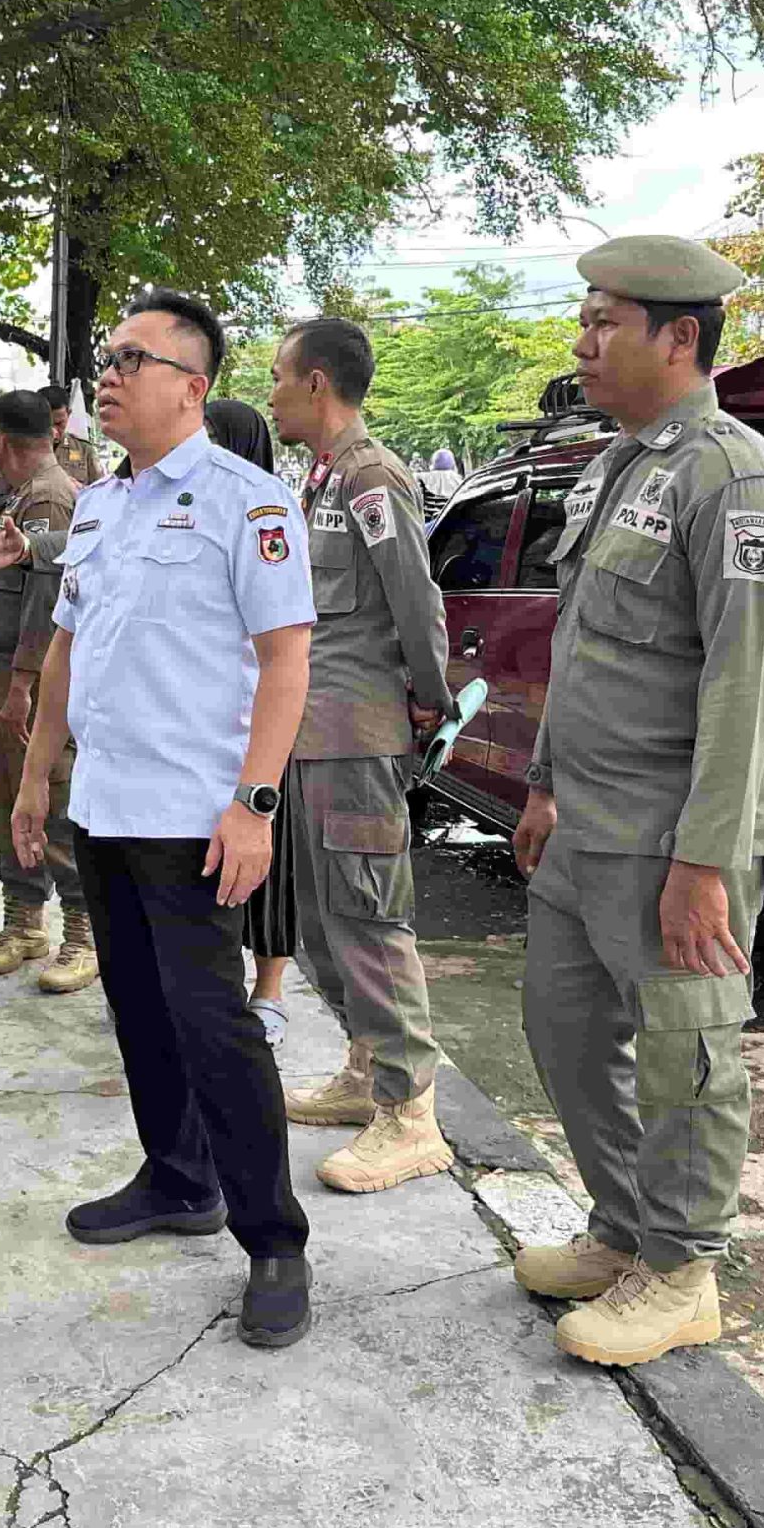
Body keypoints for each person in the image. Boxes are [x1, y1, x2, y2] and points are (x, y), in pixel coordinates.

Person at [511, 235, 764, 1368]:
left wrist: (702, 863)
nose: (582, 344)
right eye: (584, 321)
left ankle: (682, 1272)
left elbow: (742, 688)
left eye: (604, 323)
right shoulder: (620, 467)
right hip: (584, 823)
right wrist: (541, 784)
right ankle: (623, 1231)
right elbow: (579, 647)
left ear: (679, 337)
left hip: (676, 837)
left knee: (688, 1057)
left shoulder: (735, 479)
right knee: (565, 1030)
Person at [12, 291, 318, 1349]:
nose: (108, 374)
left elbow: (286, 663)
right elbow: (66, 649)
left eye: (131, 359)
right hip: (104, 806)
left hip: (196, 815)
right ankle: (178, 1178)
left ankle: (274, 1240)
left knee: (214, 1025)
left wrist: (255, 804)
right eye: (107, 357)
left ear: (192, 386)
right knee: (137, 1007)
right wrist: (36, 778)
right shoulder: (100, 503)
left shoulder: (249, 502)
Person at [266, 319, 455, 1192]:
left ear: (316, 383)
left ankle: (411, 1115)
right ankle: (365, 1070)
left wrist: (431, 697)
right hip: (313, 734)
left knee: (371, 923)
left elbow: (416, 599)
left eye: (279, 376)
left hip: (357, 735)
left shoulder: (373, 476)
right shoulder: (323, 477)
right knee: (324, 921)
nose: (270, 394)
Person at [0, 390, 97, 993]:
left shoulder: (47, 497)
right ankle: (23, 920)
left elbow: (51, 600)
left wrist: (23, 683)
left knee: (54, 798)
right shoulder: (22, 494)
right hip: (10, 681)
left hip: (38, 684)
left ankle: (84, 932)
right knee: (10, 796)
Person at [201, 398, 298, 1048]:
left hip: (260, 719)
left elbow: (287, 648)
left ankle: (270, 989)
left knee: (268, 857)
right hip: (200, 722)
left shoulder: (269, 513)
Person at [50, 400, 106, 488]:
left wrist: (80, 488)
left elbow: (101, 490)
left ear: (68, 414)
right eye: (48, 425)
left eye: (59, 423)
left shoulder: (84, 449)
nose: (54, 431)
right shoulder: (29, 451)